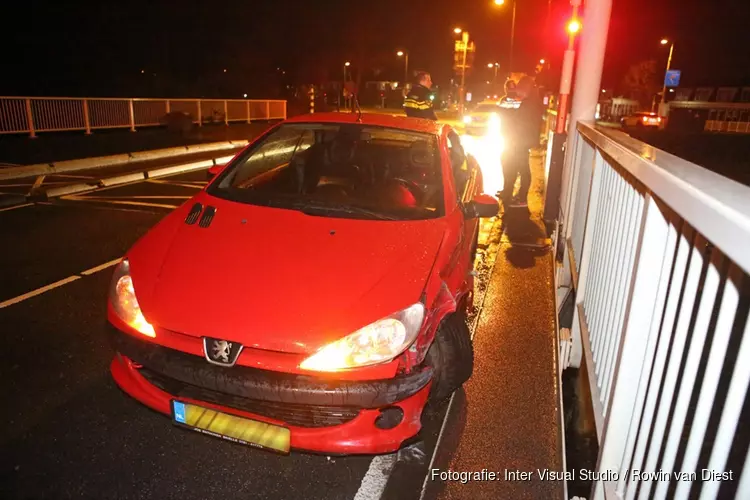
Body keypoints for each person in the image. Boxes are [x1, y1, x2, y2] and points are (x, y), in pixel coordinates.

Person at [500, 75, 544, 208]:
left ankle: (522, 198)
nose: (517, 91)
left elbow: (517, 119)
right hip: (521, 140)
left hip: (521, 140)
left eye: (519, 88)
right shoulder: (530, 101)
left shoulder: (528, 103)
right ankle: (518, 195)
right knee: (519, 166)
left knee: (523, 168)